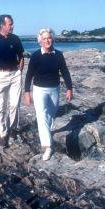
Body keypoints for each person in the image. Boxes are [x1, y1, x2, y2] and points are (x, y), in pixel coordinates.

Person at [24, 28, 73, 161]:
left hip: (54, 89)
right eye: (44, 38)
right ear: (40, 41)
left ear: (53, 39)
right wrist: (27, 92)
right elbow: (29, 75)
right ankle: (48, 146)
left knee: (51, 115)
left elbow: (65, 72)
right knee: (41, 116)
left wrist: (69, 88)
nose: (47, 40)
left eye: (49, 38)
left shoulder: (58, 55)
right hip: (39, 89)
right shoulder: (35, 56)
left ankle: (47, 133)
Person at [0, 14, 24, 147]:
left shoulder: (16, 39)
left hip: (15, 75)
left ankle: (12, 129)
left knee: (14, 104)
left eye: (12, 24)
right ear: (2, 25)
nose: (12, 26)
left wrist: (20, 70)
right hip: (0, 75)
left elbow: (21, 56)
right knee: (1, 106)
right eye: (10, 24)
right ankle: (2, 134)